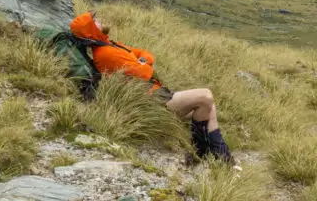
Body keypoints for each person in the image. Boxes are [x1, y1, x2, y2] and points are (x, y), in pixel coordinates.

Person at [69, 11, 233, 164]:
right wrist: (143, 62)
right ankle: (202, 150)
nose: (99, 21)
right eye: (95, 21)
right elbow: (146, 72)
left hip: (158, 94)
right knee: (205, 96)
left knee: (210, 106)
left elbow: (144, 53)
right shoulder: (106, 54)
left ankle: (220, 155)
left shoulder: (111, 45)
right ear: (91, 31)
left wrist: (143, 60)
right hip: (152, 102)